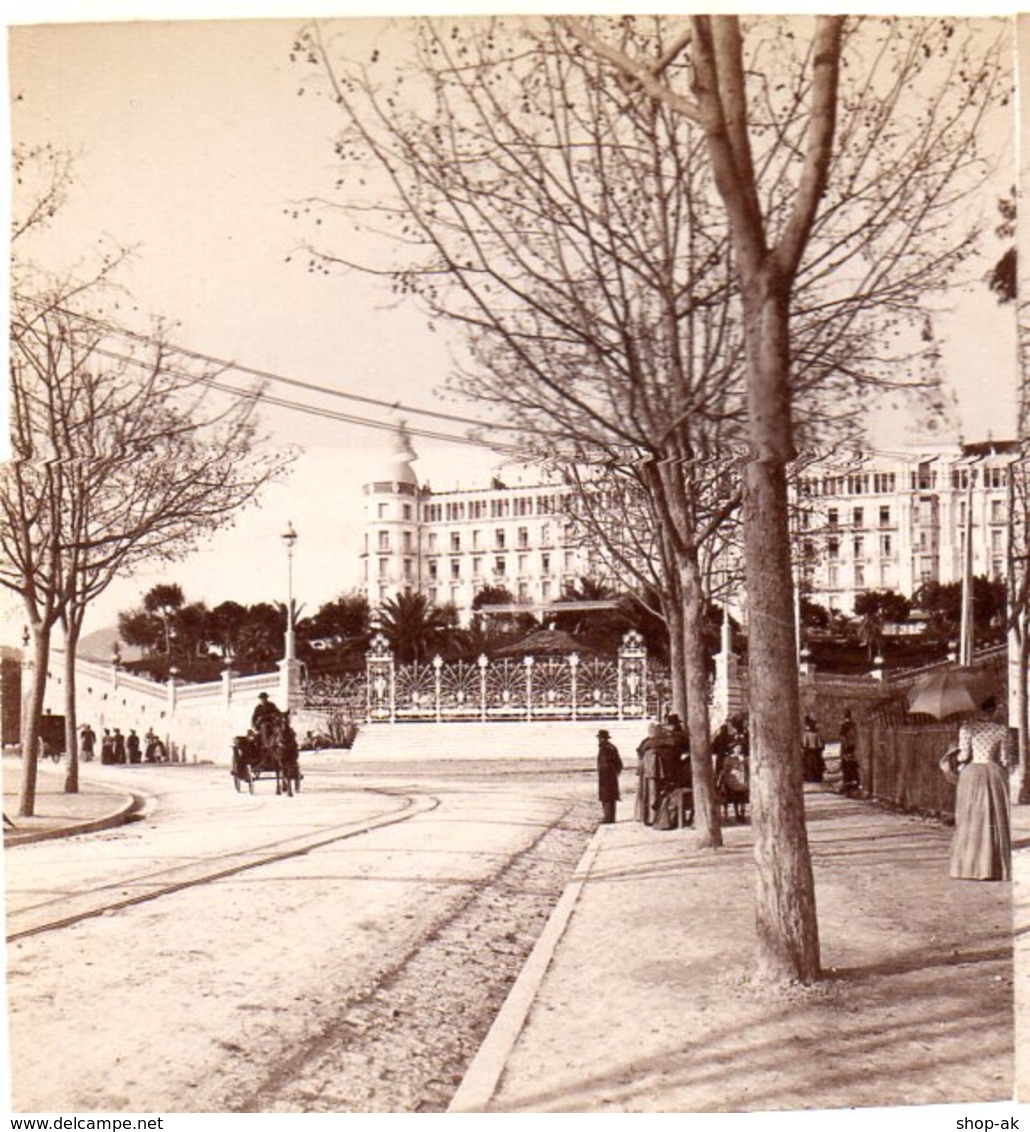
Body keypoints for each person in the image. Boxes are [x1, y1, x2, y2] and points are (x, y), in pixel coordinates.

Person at [941, 695, 1011, 881]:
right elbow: (1004, 759)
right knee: (994, 817)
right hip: (994, 773)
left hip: (973, 775)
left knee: (971, 816)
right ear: (994, 709)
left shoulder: (967, 728)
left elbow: (963, 757)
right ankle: (994, 866)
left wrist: (952, 748)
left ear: (977, 709)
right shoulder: (1001, 730)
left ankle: (971, 866)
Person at [635, 723, 666, 826]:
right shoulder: (658, 742)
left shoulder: (646, 742)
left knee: (648, 794)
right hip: (653, 772)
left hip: (648, 772)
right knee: (652, 793)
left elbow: (639, 753)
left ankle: (648, 817)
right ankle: (652, 817)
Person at [596, 729, 623, 825]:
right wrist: (616, 772)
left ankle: (608, 818)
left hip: (606, 775)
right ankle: (610, 817)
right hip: (611, 774)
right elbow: (619, 763)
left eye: (600, 738)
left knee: (606, 796)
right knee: (610, 796)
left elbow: (605, 763)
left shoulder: (605, 748)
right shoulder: (611, 747)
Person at [839, 709, 860, 795]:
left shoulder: (844, 725)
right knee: (853, 766)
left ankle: (848, 786)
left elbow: (843, 737)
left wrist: (844, 748)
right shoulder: (853, 725)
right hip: (853, 746)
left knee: (847, 767)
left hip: (847, 747)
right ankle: (854, 784)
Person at [801, 715, 825, 784]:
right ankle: (816, 776)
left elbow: (804, 744)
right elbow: (820, 744)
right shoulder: (816, 733)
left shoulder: (807, 734)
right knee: (816, 763)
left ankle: (810, 777)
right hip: (815, 751)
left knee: (809, 764)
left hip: (809, 752)